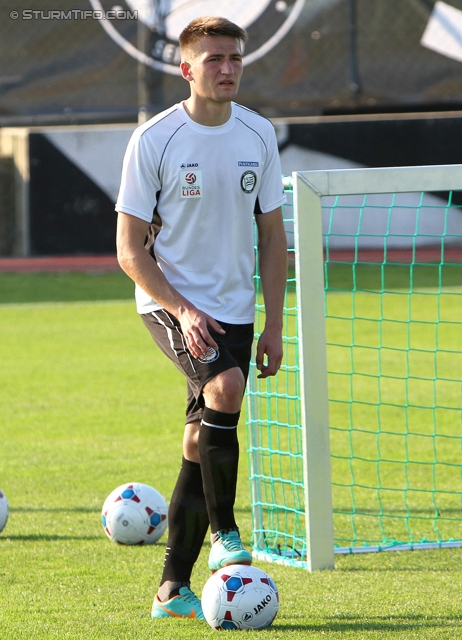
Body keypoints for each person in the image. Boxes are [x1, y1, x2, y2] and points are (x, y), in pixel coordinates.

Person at [115, 15, 287, 621]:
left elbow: (272, 235)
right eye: (213, 59)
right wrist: (182, 308)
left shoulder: (258, 134)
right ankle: (226, 532)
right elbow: (129, 249)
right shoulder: (156, 139)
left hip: (238, 308)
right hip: (171, 303)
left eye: (235, 57)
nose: (227, 68)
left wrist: (273, 322)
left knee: (199, 438)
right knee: (225, 387)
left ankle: (171, 590)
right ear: (186, 69)